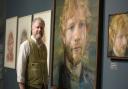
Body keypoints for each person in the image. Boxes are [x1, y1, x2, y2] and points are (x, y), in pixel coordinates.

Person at [53, 0, 94, 89]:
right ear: (63, 36)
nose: (77, 37)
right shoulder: (55, 74)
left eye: (82, 25)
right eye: (71, 27)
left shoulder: (92, 78)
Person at [17, 17, 48, 89]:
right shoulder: (25, 45)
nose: (40, 29)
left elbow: (45, 69)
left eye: (42, 28)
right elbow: (20, 71)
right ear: (32, 29)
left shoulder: (44, 47)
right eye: (37, 27)